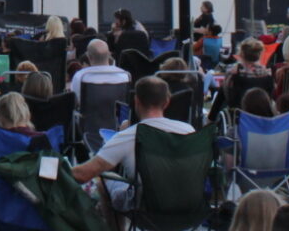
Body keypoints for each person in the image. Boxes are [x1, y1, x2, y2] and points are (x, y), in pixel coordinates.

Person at [70, 76, 200, 207]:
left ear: (136, 101)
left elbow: (83, 174)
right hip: (189, 208)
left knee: (103, 184)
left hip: (146, 209)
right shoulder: (189, 130)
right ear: (166, 102)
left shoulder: (129, 135)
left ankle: (115, 229)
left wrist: (56, 170)